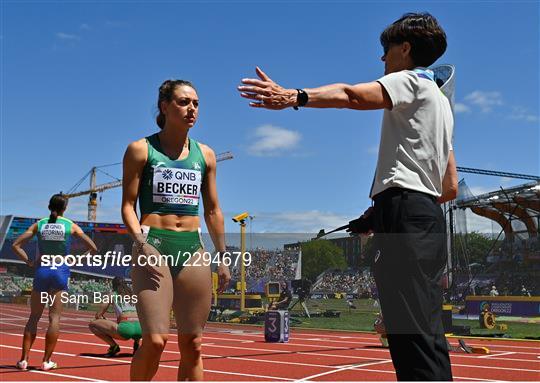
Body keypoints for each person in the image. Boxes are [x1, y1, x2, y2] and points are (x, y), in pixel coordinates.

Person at [237, 13, 457, 381]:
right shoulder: (441, 104)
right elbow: (448, 186)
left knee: (408, 334)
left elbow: (352, 96)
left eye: (385, 50)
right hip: (424, 218)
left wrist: (294, 96)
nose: (382, 60)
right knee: (424, 330)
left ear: (405, 49)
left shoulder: (410, 80)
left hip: (405, 215)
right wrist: (380, 212)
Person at [122, 79, 231, 381]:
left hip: (192, 247)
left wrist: (222, 257)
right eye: (184, 102)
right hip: (153, 244)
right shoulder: (140, 150)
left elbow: (213, 210)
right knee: (156, 341)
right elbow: (128, 207)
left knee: (193, 344)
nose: (191, 109)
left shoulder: (205, 155)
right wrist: (141, 244)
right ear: (164, 106)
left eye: (195, 103)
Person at [12, 194, 97, 371]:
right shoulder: (70, 225)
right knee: (54, 319)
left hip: (42, 271)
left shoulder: (40, 224)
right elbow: (93, 248)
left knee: (33, 318)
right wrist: (75, 261)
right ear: (65, 208)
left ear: (49, 206)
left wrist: (29, 261)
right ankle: (46, 361)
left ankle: (23, 360)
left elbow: (16, 245)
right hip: (60, 271)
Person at [88, 277, 141, 356]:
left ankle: (114, 346)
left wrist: (104, 321)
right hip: (140, 329)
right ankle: (136, 344)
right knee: (135, 321)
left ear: (114, 286)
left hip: (125, 329)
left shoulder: (112, 295)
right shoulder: (133, 295)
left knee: (92, 324)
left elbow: (98, 315)